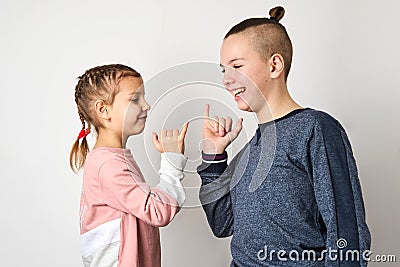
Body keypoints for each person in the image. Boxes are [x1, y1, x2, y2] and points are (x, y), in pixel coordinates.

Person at [197, 6, 371, 266]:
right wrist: (214, 157)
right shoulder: (252, 148)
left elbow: (347, 232)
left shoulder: (316, 129)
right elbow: (223, 223)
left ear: (274, 65)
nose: (227, 80)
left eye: (237, 66)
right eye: (224, 70)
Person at [69, 64, 189, 267]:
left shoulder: (111, 159)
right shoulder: (108, 165)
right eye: (135, 99)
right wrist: (171, 161)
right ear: (103, 110)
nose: (146, 105)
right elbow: (158, 210)